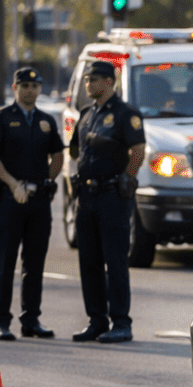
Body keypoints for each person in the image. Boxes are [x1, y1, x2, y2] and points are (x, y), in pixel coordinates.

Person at [0, 67, 65, 341]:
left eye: (34, 85)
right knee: (5, 261)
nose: (30, 90)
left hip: (38, 200)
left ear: (40, 89)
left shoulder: (46, 120)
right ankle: (2, 321)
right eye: (24, 85)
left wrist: (48, 181)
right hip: (9, 198)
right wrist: (11, 183)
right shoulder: (2, 117)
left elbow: (58, 156)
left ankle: (31, 319)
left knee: (35, 262)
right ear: (15, 88)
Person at [69, 60, 145, 344]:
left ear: (109, 83)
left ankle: (121, 322)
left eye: (94, 80)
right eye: (87, 80)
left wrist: (127, 177)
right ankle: (97, 320)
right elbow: (75, 150)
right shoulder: (86, 114)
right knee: (88, 261)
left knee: (115, 261)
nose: (88, 85)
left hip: (112, 194)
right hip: (86, 195)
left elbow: (138, 150)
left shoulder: (126, 114)